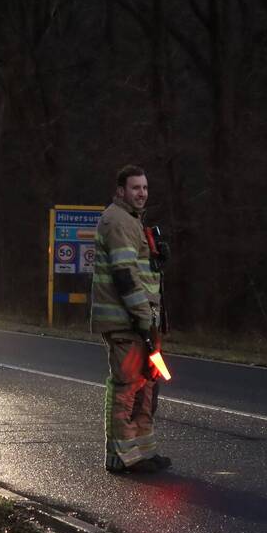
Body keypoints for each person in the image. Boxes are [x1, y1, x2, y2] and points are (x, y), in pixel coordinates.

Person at [90, 164, 170, 474]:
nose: (142, 193)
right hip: (126, 322)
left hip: (140, 320)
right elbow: (124, 276)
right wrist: (142, 319)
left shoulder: (132, 221)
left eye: (145, 188)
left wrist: (157, 261)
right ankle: (120, 457)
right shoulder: (117, 220)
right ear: (121, 190)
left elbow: (139, 272)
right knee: (126, 387)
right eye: (135, 188)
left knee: (145, 385)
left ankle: (143, 453)